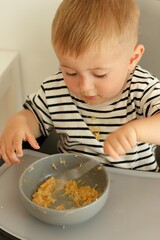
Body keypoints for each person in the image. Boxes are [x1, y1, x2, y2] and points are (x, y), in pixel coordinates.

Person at [0, 0, 160, 171]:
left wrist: (135, 131)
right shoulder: (56, 89)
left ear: (132, 59)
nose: (85, 86)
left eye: (100, 74)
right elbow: (31, 116)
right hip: (73, 181)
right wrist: (18, 123)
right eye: (71, 72)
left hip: (136, 183)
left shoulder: (142, 88)